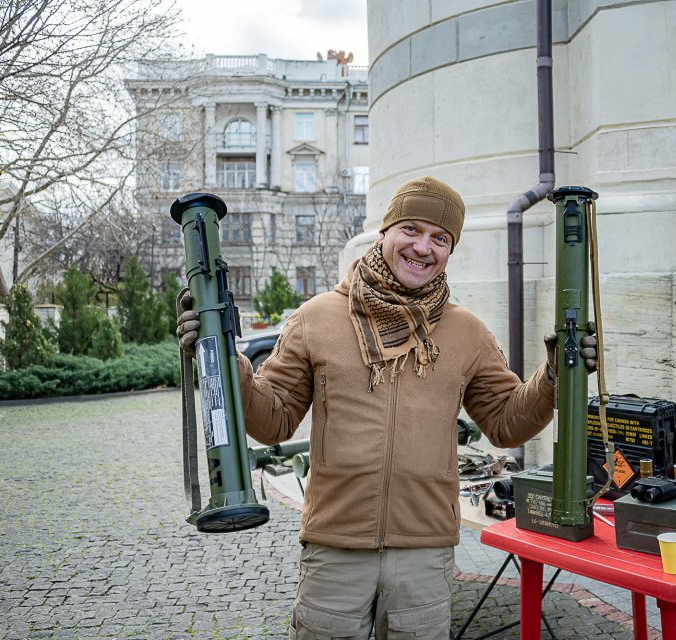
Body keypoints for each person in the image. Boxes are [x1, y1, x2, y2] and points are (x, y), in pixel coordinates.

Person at [177, 175, 596, 639]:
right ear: (384, 233)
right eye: (411, 229)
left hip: (424, 552)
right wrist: (223, 360)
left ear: (449, 251)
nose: (423, 247)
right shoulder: (316, 318)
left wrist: (554, 377)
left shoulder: (467, 332)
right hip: (335, 549)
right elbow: (272, 421)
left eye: (440, 238)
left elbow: (505, 423)